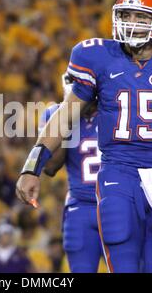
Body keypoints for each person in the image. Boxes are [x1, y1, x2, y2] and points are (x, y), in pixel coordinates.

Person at [16, 0, 152, 273]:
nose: (131, 23)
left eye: (141, 16)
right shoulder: (94, 55)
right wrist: (31, 167)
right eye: (127, 14)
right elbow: (65, 116)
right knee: (122, 253)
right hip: (117, 173)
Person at [37, 73, 102, 272]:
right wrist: (68, 119)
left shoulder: (115, 111)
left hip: (118, 202)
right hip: (80, 206)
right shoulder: (54, 114)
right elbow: (50, 167)